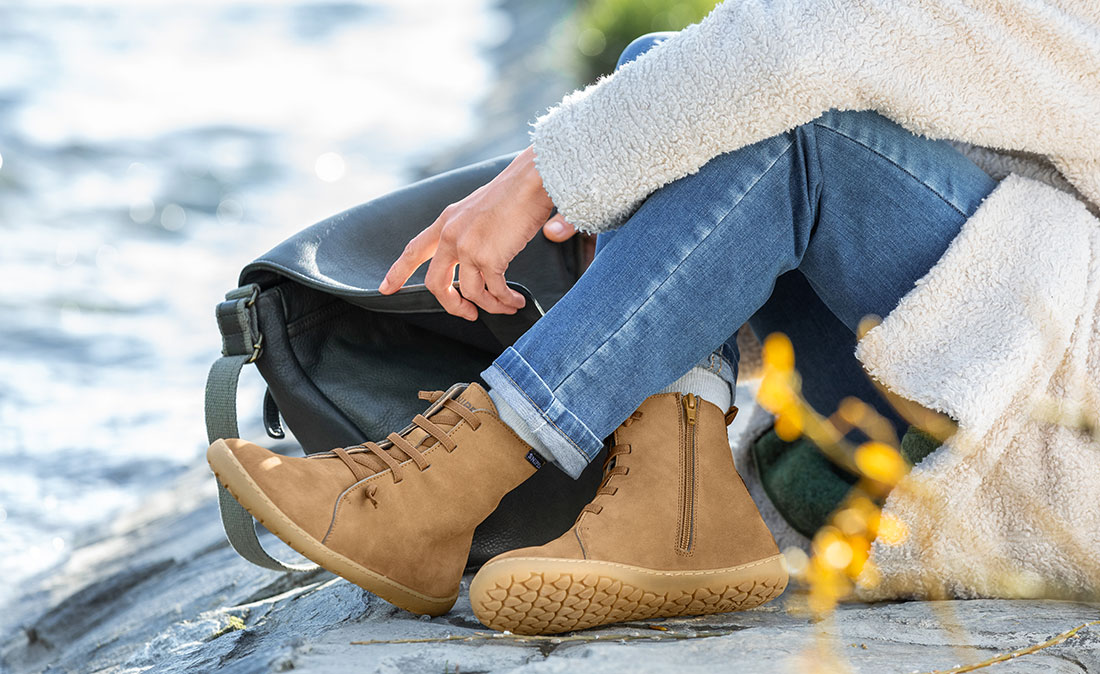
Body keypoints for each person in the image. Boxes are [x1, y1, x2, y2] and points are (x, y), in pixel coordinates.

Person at [206, 0, 1100, 635]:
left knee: (773, 123)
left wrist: (540, 175)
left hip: (1051, 410)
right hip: (959, 372)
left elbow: (809, 42)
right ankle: (679, 509)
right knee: (670, 70)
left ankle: (455, 475)